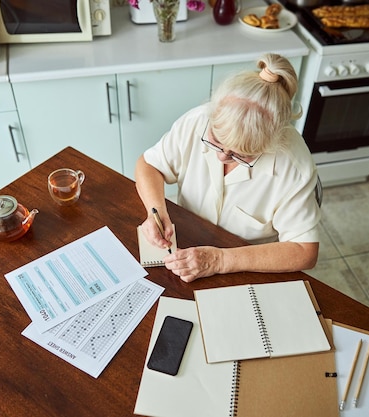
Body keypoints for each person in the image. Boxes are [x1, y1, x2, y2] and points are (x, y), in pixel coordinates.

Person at [134, 53, 320, 283]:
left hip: (247, 262)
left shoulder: (294, 165)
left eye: (239, 154)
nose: (222, 156)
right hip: (188, 242)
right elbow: (149, 164)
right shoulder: (198, 122)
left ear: (271, 144)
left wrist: (220, 261)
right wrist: (156, 211)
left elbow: (305, 251)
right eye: (215, 141)